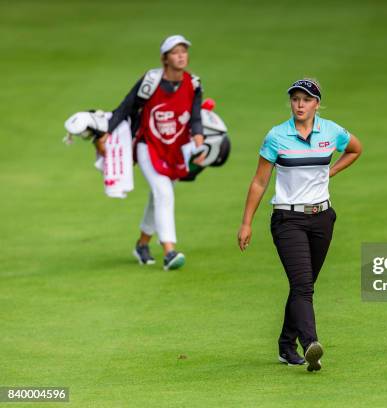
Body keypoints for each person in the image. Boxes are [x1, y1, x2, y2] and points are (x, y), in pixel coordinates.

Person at [237, 78, 362, 371]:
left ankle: (285, 344)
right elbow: (259, 181)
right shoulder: (276, 136)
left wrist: (331, 171)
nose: (300, 104)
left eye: (306, 100)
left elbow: (356, 149)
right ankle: (310, 345)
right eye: (295, 99)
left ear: (317, 103)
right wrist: (246, 223)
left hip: (322, 218)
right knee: (303, 285)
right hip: (287, 218)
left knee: (303, 285)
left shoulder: (331, 131)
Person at [97, 35, 206, 271]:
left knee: (157, 198)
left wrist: (199, 140)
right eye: (175, 52)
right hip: (148, 146)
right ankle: (169, 252)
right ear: (165, 58)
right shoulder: (150, 81)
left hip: (176, 150)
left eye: (184, 51)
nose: (181, 56)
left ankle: (142, 244)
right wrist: (106, 133)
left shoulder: (193, 83)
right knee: (164, 193)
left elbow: (195, 117)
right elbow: (125, 107)